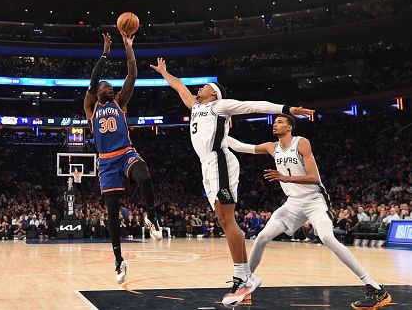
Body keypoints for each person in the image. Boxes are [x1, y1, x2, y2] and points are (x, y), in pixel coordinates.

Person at [150, 58, 313, 305]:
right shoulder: (196, 106)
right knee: (222, 219)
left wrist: (286, 109)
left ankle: (242, 279)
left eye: (205, 86)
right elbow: (179, 87)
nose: (200, 88)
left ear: (213, 94)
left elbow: (254, 106)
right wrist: (164, 72)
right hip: (208, 165)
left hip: (220, 162)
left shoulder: (220, 106)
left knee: (228, 220)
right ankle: (245, 279)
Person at [227, 114, 391, 310]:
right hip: (293, 204)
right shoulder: (272, 147)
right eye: (275, 122)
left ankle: (375, 288)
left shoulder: (301, 143)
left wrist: (285, 179)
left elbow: (313, 177)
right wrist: (218, 132)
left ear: (289, 127)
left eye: (280, 122)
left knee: (328, 238)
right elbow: (239, 146)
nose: (275, 124)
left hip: (314, 201)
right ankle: (245, 285)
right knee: (262, 237)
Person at [84, 33, 162, 284]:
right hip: (106, 161)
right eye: (106, 86)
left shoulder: (120, 102)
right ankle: (119, 261)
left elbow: (132, 75)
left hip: (125, 153)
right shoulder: (91, 106)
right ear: (98, 92)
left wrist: (129, 48)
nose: (110, 88)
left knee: (144, 175)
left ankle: (152, 215)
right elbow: (94, 79)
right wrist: (105, 53)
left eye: (110, 87)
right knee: (112, 214)